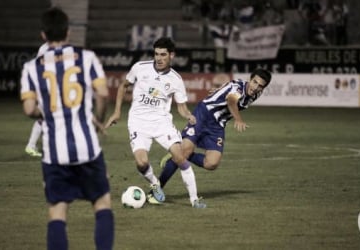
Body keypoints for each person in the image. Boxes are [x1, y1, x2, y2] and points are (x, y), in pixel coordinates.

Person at [20, 7, 114, 250]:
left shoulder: (31, 68)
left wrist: (48, 112)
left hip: (54, 153)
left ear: (43, 35)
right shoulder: (87, 57)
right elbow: (103, 93)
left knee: (58, 210)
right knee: (102, 203)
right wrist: (97, 118)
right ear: (69, 32)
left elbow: (30, 109)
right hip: (88, 148)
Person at [105, 37, 206, 208]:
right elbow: (123, 86)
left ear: (171, 56)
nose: (159, 58)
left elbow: (181, 107)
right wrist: (116, 112)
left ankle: (194, 199)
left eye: (163, 55)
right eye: (156, 54)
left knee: (180, 157)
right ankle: (154, 183)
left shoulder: (176, 79)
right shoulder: (140, 67)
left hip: (162, 122)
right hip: (138, 122)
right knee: (142, 163)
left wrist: (188, 115)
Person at [158, 68, 272, 188]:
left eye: (260, 86)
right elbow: (232, 101)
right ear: (250, 79)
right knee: (185, 151)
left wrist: (220, 91)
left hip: (217, 125)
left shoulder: (256, 94)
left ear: (263, 88)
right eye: (254, 82)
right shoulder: (239, 87)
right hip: (204, 114)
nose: (255, 87)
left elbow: (228, 91)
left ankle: (179, 152)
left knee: (211, 163)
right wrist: (238, 119)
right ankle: (157, 189)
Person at [24, 43, 49, 157]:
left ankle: (32, 145)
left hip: (49, 86)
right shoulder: (45, 47)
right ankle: (33, 145)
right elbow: (39, 64)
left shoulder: (50, 47)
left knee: (43, 118)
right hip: (46, 86)